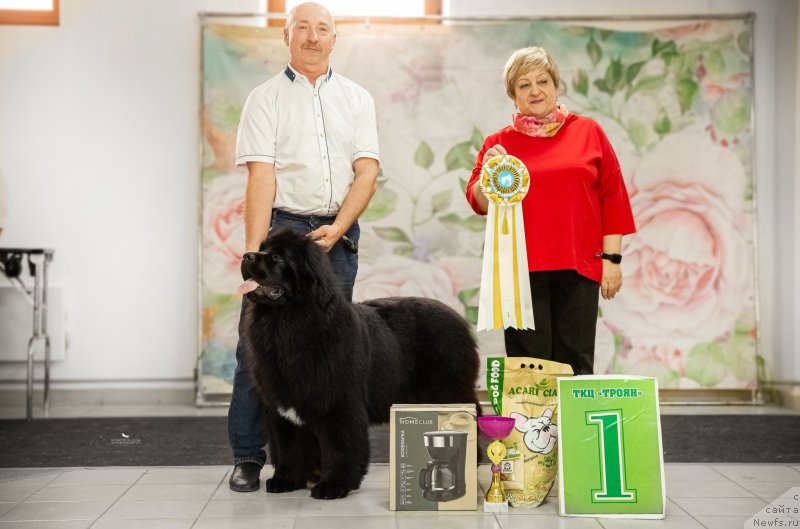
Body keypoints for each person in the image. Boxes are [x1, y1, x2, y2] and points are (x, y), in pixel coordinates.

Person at [228, 1, 380, 492]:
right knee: (256, 352)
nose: (313, 37)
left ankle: (325, 462)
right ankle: (249, 457)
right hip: (285, 233)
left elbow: (368, 171)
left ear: (335, 38)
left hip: (339, 233)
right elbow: (262, 175)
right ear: (286, 36)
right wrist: (256, 256)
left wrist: (338, 228)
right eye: (303, 28)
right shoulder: (265, 98)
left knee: (335, 358)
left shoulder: (357, 98)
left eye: (323, 29)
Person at [465, 46, 635, 375]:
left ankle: (572, 428)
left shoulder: (588, 131)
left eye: (542, 81)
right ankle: (532, 428)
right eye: (523, 85)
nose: (535, 90)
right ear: (513, 95)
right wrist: (488, 176)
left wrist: (612, 262)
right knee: (530, 368)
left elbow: (612, 197)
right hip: (520, 272)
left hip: (580, 265)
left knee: (576, 361)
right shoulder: (497, 144)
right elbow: (478, 202)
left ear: (556, 85)